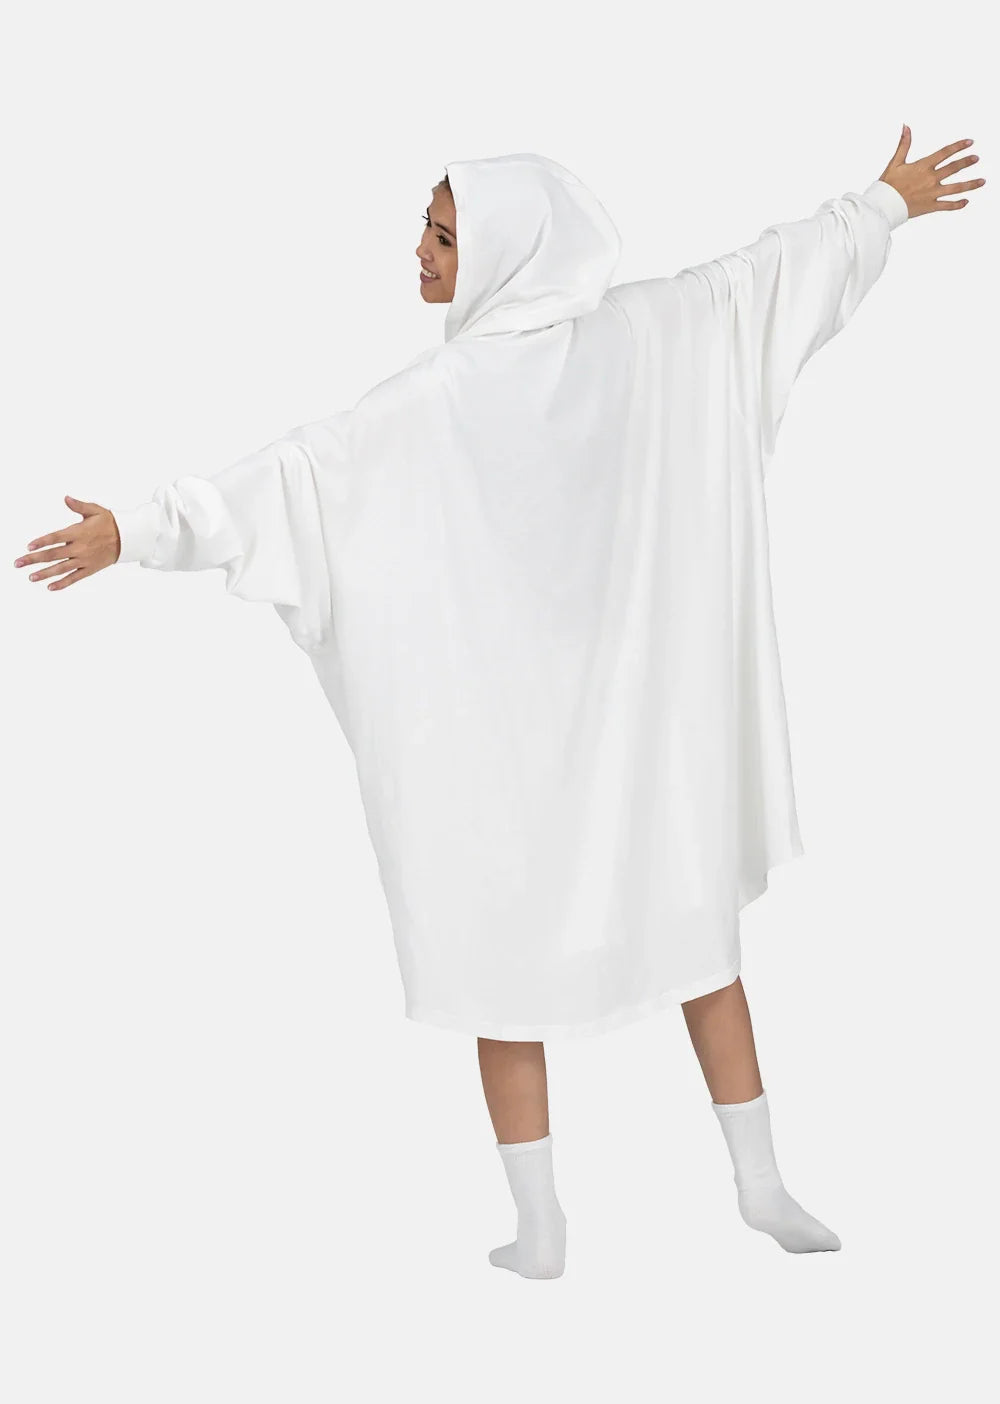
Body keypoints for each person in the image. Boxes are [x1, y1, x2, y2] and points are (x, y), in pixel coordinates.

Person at [15, 128, 984, 1281]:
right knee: (503, 962)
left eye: (443, 235)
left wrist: (882, 203)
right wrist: (136, 532)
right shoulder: (447, 397)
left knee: (694, 946)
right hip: (514, 737)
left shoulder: (638, 338)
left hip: (636, 726)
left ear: (514, 249)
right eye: (427, 231)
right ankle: (542, 1226)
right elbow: (290, 478)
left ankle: (759, 1186)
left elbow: (762, 278)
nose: (420, 253)